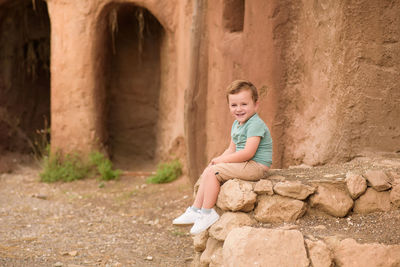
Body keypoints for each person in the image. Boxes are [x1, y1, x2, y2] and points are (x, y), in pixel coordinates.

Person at [173, 80, 273, 234]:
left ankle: (207, 213)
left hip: (256, 167)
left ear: (256, 105)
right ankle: (195, 210)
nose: (239, 109)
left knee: (214, 172)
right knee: (210, 169)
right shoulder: (236, 124)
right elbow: (231, 149)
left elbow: (248, 153)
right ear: (229, 106)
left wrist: (222, 162)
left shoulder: (255, 124)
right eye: (234, 105)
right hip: (245, 164)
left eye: (244, 104)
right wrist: (217, 160)